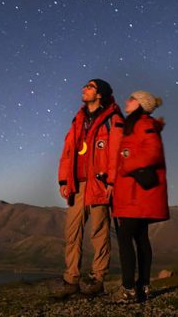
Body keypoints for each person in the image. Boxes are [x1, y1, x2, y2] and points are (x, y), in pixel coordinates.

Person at [56, 79, 124, 297]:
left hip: (100, 184)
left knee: (99, 232)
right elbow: (68, 151)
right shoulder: (78, 120)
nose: (83, 89)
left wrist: (112, 181)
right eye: (84, 86)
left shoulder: (112, 120)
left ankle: (98, 279)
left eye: (90, 87)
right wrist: (64, 180)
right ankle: (71, 280)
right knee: (72, 233)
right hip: (78, 184)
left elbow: (117, 153)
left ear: (100, 94)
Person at [109, 90, 169, 303]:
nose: (127, 100)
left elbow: (153, 153)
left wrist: (126, 166)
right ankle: (143, 287)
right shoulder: (139, 125)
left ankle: (129, 289)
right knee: (140, 238)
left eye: (132, 98)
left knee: (125, 237)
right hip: (137, 193)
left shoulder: (143, 124)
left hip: (138, 194)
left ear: (141, 104)